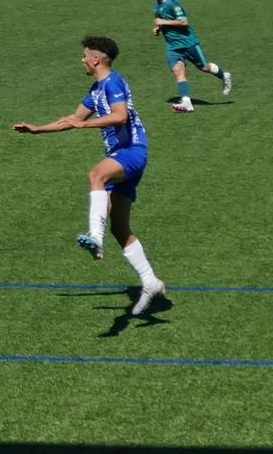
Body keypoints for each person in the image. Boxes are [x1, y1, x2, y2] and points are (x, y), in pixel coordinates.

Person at [12, 36, 168, 316]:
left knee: (95, 174)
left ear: (96, 59)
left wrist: (84, 126)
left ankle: (94, 238)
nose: (82, 60)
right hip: (122, 157)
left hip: (131, 151)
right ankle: (151, 282)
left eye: (85, 56)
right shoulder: (96, 89)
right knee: (120, 228)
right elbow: (74, 118)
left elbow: (120, 117)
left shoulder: (113, 83)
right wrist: (38, 129)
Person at [152, 0, 231, 113]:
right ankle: (187, 102)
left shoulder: (173, 4)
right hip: (172, 46)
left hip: (188, 43)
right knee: (178, 71)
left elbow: (184, 22)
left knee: (204, 67)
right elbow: (161, 21)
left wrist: (163, 23)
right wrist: (158, 28)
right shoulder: (157, 5)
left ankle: (224, 75)